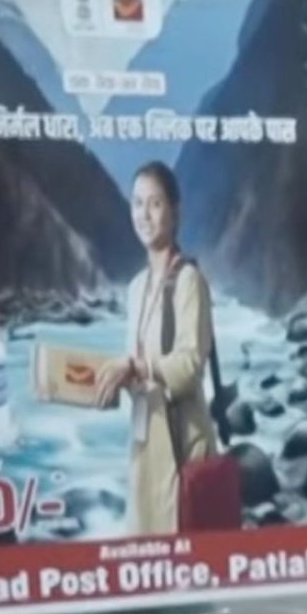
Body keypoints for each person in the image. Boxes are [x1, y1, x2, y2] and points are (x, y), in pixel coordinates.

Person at [95, 162, 220, 536]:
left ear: (175, 211)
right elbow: (136, 373)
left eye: (155, 203)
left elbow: (188, 367)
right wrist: (102, 385)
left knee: (186, 566)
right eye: (137, 204)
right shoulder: (135, 289)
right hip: (144, 445)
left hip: (181, 448)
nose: (144, 215)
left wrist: (133, 368)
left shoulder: (188, 281)